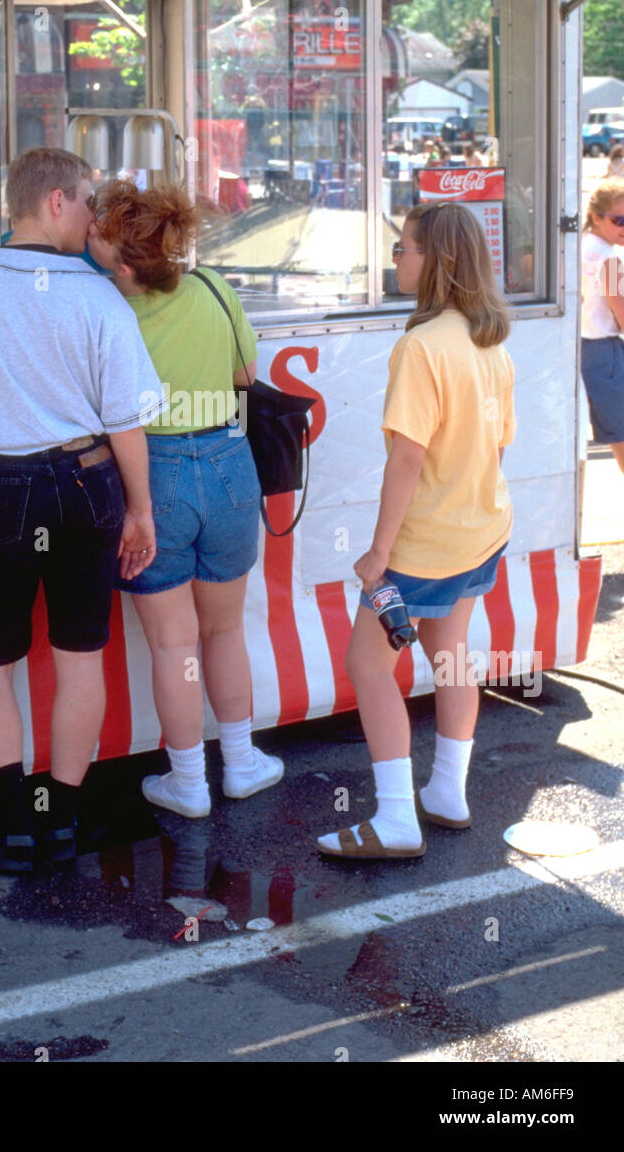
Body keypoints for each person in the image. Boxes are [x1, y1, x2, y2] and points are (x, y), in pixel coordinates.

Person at [0, 148, 164, 874]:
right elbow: (128, 420)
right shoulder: (99, 298)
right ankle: (59, 821)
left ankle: (11, 827)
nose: (96, 218)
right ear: (56, 201)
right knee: (79, 656)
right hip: (90, 481)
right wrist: (140, 512)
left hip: (3, 487)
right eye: (89, 201)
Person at [317, 200, 515, 859]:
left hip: (423, 543)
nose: (396, 258)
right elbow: (498, 447)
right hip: (480, 531)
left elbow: (408, 458)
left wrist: (378, 553)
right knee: (452, 651)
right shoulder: (489, 343)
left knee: (367, 665)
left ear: (438, 262)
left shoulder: (420, 347)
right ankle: (447, 792)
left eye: (404, 248)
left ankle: (397, 820)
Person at [87, 180, 284, 818]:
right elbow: (244, 375)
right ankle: (244, 762)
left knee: (175, 645)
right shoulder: (213, 288)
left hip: (153, 475)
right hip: (229, 463)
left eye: (98, 231)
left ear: (122, 261)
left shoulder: (104, 309)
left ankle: (188, 781)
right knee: (225, 629)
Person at [580, 179, 624, 475]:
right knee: (620, 436)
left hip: (581, 347)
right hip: (604, 353)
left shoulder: (580, 245)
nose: (623, 226)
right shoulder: (609, 259)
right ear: (596, 217)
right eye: (618, 219)